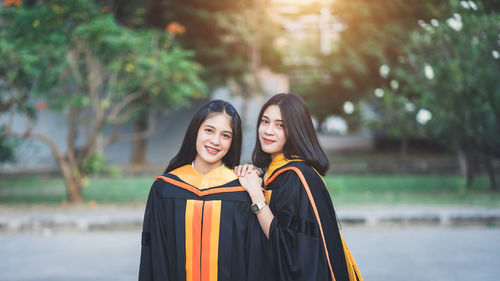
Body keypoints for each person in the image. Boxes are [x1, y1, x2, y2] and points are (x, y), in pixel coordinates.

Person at [235, 93, 363, 281]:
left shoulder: (298, 178)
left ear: (295, 130)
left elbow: (290, 248)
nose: (268, 131)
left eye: (280, 125)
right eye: (265, 121)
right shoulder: (273, 173)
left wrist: (256, 195)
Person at [139, 100, 269, 281]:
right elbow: (154, 256)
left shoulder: (241, 190)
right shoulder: (165, 189)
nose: (215, 141)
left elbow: (254, 260)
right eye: (209, 130)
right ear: (195, 131)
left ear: (233, 141)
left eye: (226, 135)